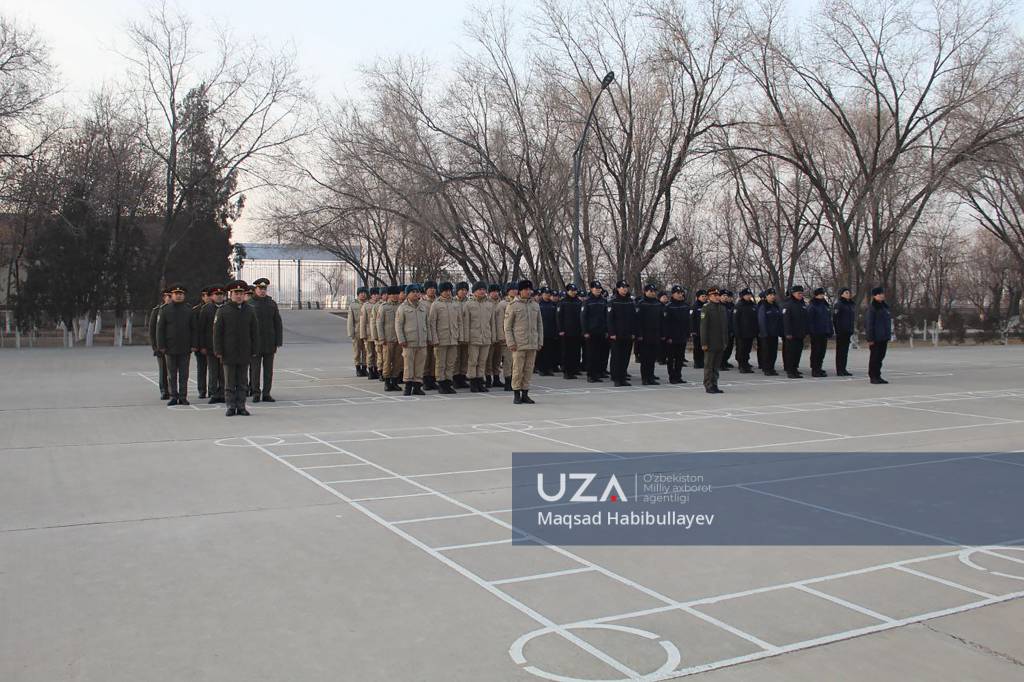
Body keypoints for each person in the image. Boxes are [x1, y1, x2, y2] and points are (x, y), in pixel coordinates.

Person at [213, 280, 259, 416]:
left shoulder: (250, 310)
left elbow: (254, 332)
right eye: (236, 293)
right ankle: (231, 406)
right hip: (229, 351)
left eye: (241, 293)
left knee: (242, 382)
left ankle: (241, 406)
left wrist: (255, 349)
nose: (239, 296)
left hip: (244, 351)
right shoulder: (223, 310)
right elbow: (217, 333)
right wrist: (218, 350)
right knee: (229, 382)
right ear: (230, 294)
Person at [156, 283, 197, 406]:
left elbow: (194, 329)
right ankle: (173, 396)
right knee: (172, 374)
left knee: (184, 375)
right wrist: (161, 346)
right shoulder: (165, 310)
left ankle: (183, 397)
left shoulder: (189, 310)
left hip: (185, 347)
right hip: (170, 347)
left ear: (184, 295)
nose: (178, 296)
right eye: (176, 294)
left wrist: (194, 344)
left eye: (181, 294)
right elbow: (160, 330)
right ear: (172, 295)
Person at [504, 279, 544, 404]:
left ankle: (525, 393)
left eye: (530, 289)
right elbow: (507, 327)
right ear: (520, 291)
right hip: (519, 344)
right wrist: (511, 342)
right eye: (526, 289)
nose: (528, 291)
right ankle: (516, 393)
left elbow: (539, 325)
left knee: (528, 370)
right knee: (517, 369)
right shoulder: (513, 306)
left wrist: (539, 341)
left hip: (532, 343)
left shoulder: (535, 305)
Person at [250, 277, 283, 402]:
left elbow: (277, 323)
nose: (262, 291)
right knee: (255, 370)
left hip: (269, 342)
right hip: (255, 343)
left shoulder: (271, 304)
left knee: (268, 371)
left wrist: (278, 341)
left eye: (264, 288)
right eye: (260, 288)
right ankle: (255, 393)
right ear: (256, 289)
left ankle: (266, 393)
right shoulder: (250, 304)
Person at [428, 282, 462, 394]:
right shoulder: (436, 305)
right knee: (440, 363)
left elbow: (459, 322)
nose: (448, 293)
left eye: (449, 290)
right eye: (445, 291)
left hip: (453, 338)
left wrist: (460, 336)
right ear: (441, 292)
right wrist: (434, 339)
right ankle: (441, 383)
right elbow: (432, 323)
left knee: (451, 363)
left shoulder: (455, 304)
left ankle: (448, 382)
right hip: (441, 339)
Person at [462, 281, 496, 393]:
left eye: (483, 289)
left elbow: (492, 323)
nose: (482, 291)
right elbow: (466, 323)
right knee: (473, 361)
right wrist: (466, 338)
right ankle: (473, 383)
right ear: (474, 291)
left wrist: (493, 337)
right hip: (473, 337)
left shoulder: (489, 305)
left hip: (486, 337)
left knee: (482, 361)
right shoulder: (469, 304)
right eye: (479, 289)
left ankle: (480, 382)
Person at [396, 284, 429, 395]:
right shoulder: (402, 308)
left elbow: (427, 324)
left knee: (420, 365)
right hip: (409, 341)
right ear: (407, 294)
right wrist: (401, 339)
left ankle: (417, 386)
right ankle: (408, 387)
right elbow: (398, 325)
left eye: (417, 291)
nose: (416, 294)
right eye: (413, 292)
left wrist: (428, 338)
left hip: (422, 341)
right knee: (408, 365)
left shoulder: (423, 307)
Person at [198, 285, 226, 404]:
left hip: (225, 346)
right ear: (212, 296)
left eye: (221, 295)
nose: (219, 297)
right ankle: (213, 393)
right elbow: (201, 329)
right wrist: (202, 346)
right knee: (213, 371)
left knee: (223, 372)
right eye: (216, 295)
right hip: (210, 346)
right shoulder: (206, 309)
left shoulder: (227, 308)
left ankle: (223, 392)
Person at [607, 280, 638, 387]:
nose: (625, 289)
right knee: (617, 357)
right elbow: (610, 319)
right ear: (618, 289)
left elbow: (634, 318)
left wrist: (633, 332)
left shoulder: (630, 301)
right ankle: (616, 378)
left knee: (625, 357)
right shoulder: (613, 301)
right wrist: (612, 333)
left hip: (628, 334)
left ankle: (623, 377)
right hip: (617, 334)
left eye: (626, 287)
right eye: (622, 287)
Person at [700, 287, 729, 394]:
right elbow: (703, 327)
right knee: (709, 365)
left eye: (718, 295)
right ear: (709, 297)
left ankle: (714, 384)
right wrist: (704, 343)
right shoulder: (706, 308)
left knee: (716, 366)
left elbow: (725, 327)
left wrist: (725, 341)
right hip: (710, 342)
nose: (717, 297)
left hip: (720, 342)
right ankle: (708, 385)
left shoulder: (722, 308)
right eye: (714, 295)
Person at [581, 280, 609, 383]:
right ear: (591, 289)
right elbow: (583, 317)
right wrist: (585, 331)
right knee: (591, 354)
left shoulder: (603, 301)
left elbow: (606, 316)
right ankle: (591, 375)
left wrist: (607, 330)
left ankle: (597, 373)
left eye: (599, 288)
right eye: (596, 288)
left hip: (601, 331)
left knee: (599, 354)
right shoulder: (587, 301)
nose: (598, 290)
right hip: (591, 332)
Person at [637, 283, 665, 385]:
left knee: (652, 357)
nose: (653, 293)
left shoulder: (658, 304)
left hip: (656, 334)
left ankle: (651, 376)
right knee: (645, 358)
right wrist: (639, 334)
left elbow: (662, 320)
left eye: (654, 291)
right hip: (645, 335)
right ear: (645, 292)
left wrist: (662, 334)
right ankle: (645, 378)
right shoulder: (641, 304)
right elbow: (638, 321)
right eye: (651, 291)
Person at [377, 285, 403, 391]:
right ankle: (387, 382)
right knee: (387, 361)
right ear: (388, 295)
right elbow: (379, 323)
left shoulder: (401, 306)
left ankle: (394, 381)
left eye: (397, 294)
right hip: (388, 339)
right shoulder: (384, 307)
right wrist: (381, 338)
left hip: (399, 339)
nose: (395, 296)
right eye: (393, 294)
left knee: (398, 361)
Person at [663, 285, 690, 384]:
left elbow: (688, 321)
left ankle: (678, 376)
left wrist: (688, 333)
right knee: (671, 358)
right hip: (672, 337)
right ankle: (672, 376)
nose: (680, 295)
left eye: (681, 293)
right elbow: (666, 323)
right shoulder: (669, 306)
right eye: (677, 293)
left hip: (682, 336)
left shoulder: (685, 306)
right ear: (673, 294)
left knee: (680, 358)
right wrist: (668, 336)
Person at [865, 286, 892, 384]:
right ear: (874, 296)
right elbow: (869, 324)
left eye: (882, 293)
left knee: (880, 357)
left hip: (883, 337)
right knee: (875, 357)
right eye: (879, 294)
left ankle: (878, 375)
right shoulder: (872, 308)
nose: (881, 295)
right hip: (875, 337)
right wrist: (870, 338)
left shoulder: (885, 307)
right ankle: (873, 376)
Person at [557, 283, 584, 379]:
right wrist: (561, 329)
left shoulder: (579, 302)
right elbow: (559, 317)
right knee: (567, 352)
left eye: (575, 290)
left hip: (577, 330)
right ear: (567, 291)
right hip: (566, 331)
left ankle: (575, 369)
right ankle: (567, 371)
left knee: (576, 351)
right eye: (572, 291)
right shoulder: (562, 302)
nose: (574, 292)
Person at [149, 288, 171, 400]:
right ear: (164, 298)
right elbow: (152, 331)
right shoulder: (157, 310)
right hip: (161, 346)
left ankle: (173, 390)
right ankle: (164, 390)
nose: (171, 298)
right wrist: (155, 347)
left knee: (172, 371)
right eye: (168, 296)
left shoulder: (177, 310)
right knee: (163, 370)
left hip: (173, 346)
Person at [807, 287, 834, 377]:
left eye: (823, 294)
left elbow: (828, 319)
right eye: (820, 294)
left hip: (824, 331)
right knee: (816, 351)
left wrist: (830, 329)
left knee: (822, 351)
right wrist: (812, 331)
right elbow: (810, 320)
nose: (822, 296)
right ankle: (815, 369)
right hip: (816, 332)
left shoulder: (825, 305)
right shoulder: (812, 306)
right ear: (816, 295)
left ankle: (819, 367)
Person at [782, 285, 808, 378]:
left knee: (798, 352)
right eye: (798, 293)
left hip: (800, 333)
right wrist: (788, 333)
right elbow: (786, 320)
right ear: (793, 294)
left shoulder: (802, 304)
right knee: (791, 353)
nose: (800, 295)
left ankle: (795, 369)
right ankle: (790, 371)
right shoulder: (788, 304)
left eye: (801, 293)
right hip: (792, 334)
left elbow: (805, 319)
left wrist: (805, 330)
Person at [497, 283, 519, 390]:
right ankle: (508, 380)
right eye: (512, 289)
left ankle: (516, 381)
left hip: (518, 336)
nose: (514, 291)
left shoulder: (519, 303)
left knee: (516, 361)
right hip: (507, 337)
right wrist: (502, 337)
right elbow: (500, 322)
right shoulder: (502, 304)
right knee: (508, 360)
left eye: (516, 289)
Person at [757, 288, 783, 376]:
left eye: (773, 295)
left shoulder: (776, 306)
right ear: (766, 296)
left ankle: (771, 368)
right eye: (770, 295)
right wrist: (764, 333)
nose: (772, 296)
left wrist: (780, 331)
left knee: (773, 352)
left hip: (774, 333)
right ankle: (766, 369)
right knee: (766, 352)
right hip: (766, 334)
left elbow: (779, 320)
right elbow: (762, 321)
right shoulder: (763, 306)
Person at [733, 288, 759, 373]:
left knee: (747, 349)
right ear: (742, 296)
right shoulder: (739, 306)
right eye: (746, 295)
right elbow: (735, 320)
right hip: (742, 332)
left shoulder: (753, 305)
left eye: (749, 295)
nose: (748, 296)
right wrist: (737, 332)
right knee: (742, 350)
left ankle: (746, 363)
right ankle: (742, 365)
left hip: (750, 332)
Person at [832, 287, 856, 376]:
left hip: (848, 331)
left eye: (849, 292)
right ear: (841, 294)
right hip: (841, 331)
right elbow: (835, 318)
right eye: (846, 292)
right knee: (840, 351)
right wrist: (838, 330)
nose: (848, 294)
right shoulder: (839, 304)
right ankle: (839, 370)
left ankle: (843, 369)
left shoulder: (850, 304)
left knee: (845, 352)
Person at [193, 287, 210, 398]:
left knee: (215, 371)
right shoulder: (196, 310)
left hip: (212, 345)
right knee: (201, 369)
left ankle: (215, 390)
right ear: (203, 297)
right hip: (201, 345)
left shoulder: (218, 308)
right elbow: (195, 330)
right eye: (207, 295)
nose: (209, 298)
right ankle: (202, 390)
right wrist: (198, 345)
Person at [536, 287, 558, 376]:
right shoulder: (538, 305)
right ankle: (541, 369)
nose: (547, 295)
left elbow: (556, 318)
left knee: (550, 351)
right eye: (545, 293)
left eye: (549, 293)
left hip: (551, 331)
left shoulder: (553, 305)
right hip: (541, 332)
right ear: (542, 294)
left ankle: (549, 368)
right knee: (541, 352)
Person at [421, 281, 438, 390]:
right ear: (426, 290)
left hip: (437, 333)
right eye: (430, 288)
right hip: (426, 333)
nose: (432, 290)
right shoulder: (421, 303)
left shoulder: (438, 301)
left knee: (434, 358)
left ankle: (432, 379)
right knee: (426, 358)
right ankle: (425, 380)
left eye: (434, 288)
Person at [453, 281, 471, 388]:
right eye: (461, 290)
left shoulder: (469, 303)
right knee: (456, 357)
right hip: (456, 333)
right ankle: (455, 378)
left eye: (465, 290)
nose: (464, 292)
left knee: (465, 358)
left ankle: (462, 378)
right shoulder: (452, 302)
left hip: (467, 333)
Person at [359, 288, 380, 379]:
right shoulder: (366, 306)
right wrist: (363, 335)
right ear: (371, 296)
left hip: (378, 333)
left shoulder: (381, 304)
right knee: (370, 353)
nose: (376, 296)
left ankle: (377, 369)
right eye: (374, 294)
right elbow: (362, 322)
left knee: (378, 353)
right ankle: (371, 370)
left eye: (377, 294)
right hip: (368, 334)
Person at [486, 284, 504, 387]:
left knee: (498, 358)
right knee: (488, 358)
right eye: (493, 291)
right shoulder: (486, 303)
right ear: (489, 293)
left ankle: (496, 378)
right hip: (489, 334)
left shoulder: (502, 303)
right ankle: (488, 379)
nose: (495, 293)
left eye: (497, 291)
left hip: (500, 334)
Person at [349, 286, 369, 376]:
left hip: (367, 331)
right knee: (357, 351)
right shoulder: (353, 305)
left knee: (366, 351)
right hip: (357, 331)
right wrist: (351, 332)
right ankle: (358, 368)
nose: (363, 295)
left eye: (365, 293)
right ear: (358, 294)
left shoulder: (368, 304)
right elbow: (350, 320)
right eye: (361, 293)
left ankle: (364, 368)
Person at [690, 290, 708, 368]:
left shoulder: (707, 306)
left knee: (705, 347)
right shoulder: (694, 306)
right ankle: (697, 362)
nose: (704, 298)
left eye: (705, 296)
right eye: (702, 296)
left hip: (705, 331)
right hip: (697, 331)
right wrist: (692, 330)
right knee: (697, 347)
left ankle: (703, 361)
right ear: (698, 297)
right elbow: (691, 319)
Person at [720, 289, 736, 370]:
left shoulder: (729, 306)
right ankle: (720, 363)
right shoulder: (718, 306)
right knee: (722, 348)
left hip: (730, 330)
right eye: (723, 295)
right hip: (721, 331)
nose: (725, 297)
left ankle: (725, 361)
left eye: (726, 296)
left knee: (729, 348)